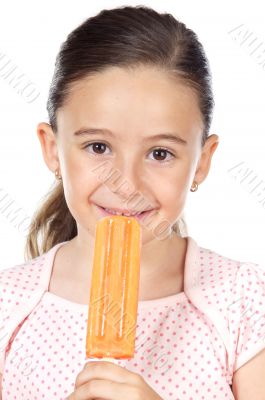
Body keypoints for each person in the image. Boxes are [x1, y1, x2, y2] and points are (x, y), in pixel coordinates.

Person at [0, 5, 264, 400]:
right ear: (52, 149)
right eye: (98, 146)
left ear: (202, 162)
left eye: (160, 153)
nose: (126, 185)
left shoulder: (244, 300)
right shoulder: (9, 306)